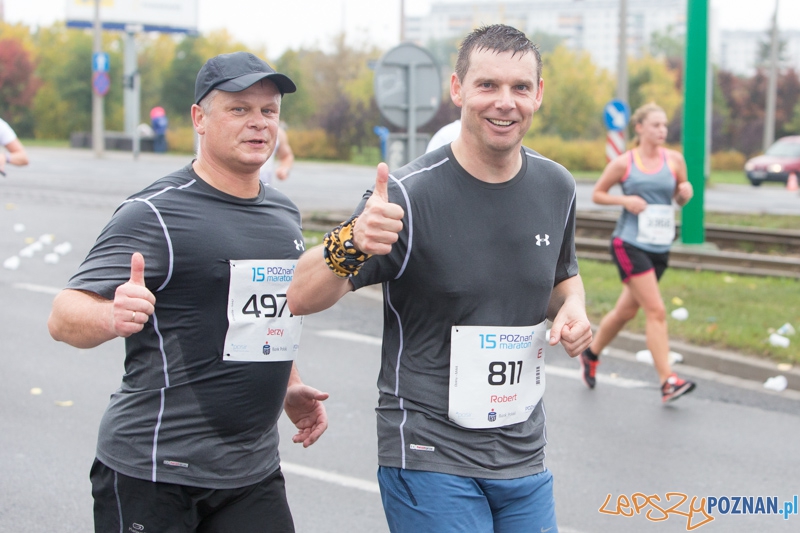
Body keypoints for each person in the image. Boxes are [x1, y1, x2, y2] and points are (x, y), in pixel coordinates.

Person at [287, 25, 592, 532]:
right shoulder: (407, 196)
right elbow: (299, 295)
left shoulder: (556, 185)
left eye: (520, 87)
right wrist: (353, 240)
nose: (505, 102)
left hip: (522, 453)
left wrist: (574, 309)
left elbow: (562, 280)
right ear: (457, 89)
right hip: (429, 450)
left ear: (538, 94)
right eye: (487, 85)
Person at [48, 51, 328, 533]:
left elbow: (261, 316)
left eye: (269, 110)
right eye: (239, 109)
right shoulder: (154, 213)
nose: (258, 122)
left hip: (252, 472)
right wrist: (110, 316)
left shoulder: (283, 214)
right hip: (155, 471)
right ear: (199, 118)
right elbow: (62, 314)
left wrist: (288, 384)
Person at [579, 102, 696, 403]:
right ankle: (667, 381)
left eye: (665, 125)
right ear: (640, 128)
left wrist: (685, 194)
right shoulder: (625, 162)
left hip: (660, 245)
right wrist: (626, 201)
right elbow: (597, 194)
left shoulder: (675, 160)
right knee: (655, 310)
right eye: (656, 125)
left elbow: (680, 197)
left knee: (626, 311)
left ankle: (591, 354)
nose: (662, 130)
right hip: (629, 243)